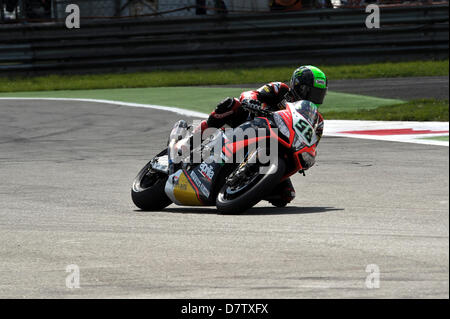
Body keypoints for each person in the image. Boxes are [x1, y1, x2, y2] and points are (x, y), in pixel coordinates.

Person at [192, 65, 328, 207]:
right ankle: (192, 140)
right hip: (250, 125)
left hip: (278, 145)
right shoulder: (280, 89)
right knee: (231, 104)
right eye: (309, 91)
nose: (312, 97)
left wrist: (307, 156)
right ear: (297, 85)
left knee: (285, 195)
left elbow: (311, 144)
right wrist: (253, 102)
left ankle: (246, 186)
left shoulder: (317, 121)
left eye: (318, 94)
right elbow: (252, 93)